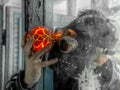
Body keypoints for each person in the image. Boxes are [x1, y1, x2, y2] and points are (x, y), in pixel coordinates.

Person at [5, 9, 120, 90]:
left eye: (67, 42)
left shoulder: (104, 78)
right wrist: (26, 81)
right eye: (63, 31)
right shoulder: (43, 60)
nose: (56, 34)